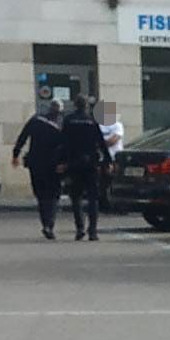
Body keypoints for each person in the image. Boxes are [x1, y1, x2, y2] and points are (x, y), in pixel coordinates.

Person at [59, 95, 111, 241]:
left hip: (74, 164)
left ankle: (80, 228)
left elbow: (63, 143)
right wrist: (108, 161)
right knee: (93, 198)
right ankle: (93, 231)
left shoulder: (68, 120)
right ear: (86, 106)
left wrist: (61, 162)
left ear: (75, 105)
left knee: (76, 197)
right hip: (91, 164)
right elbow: (101, 142)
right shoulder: (91, 121)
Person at [12, 100, 65, 240]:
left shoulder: (36, 120)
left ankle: (46, 223)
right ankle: (49, 225)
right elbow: (66, 145)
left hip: (35, 162)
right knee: (53, 194)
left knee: (41, 195)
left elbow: (22, 137)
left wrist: (15, 154)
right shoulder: (60, 125)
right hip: (53, 164)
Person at [97, 102, 125, 212]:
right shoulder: (99, 125)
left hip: (114, 157)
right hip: (102, 158)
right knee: (103, 182)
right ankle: (104, 205)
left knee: (114, 181)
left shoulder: (117, 125)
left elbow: (114, 140)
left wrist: (101, 143)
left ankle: (118, 206)